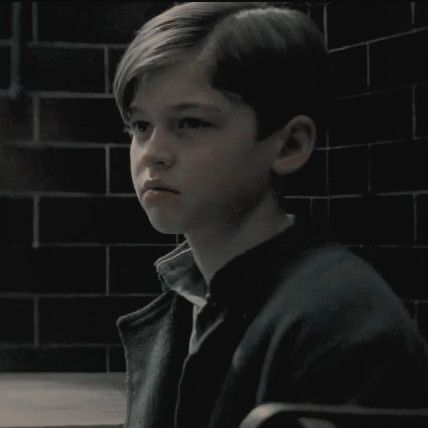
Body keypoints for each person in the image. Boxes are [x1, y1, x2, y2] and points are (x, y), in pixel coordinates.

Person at [113, 3, 428, 428]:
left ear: (289, 145)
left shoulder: (340, 324)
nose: (152, 154)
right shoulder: (190, 297)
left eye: (190, 123)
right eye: (140, 126)